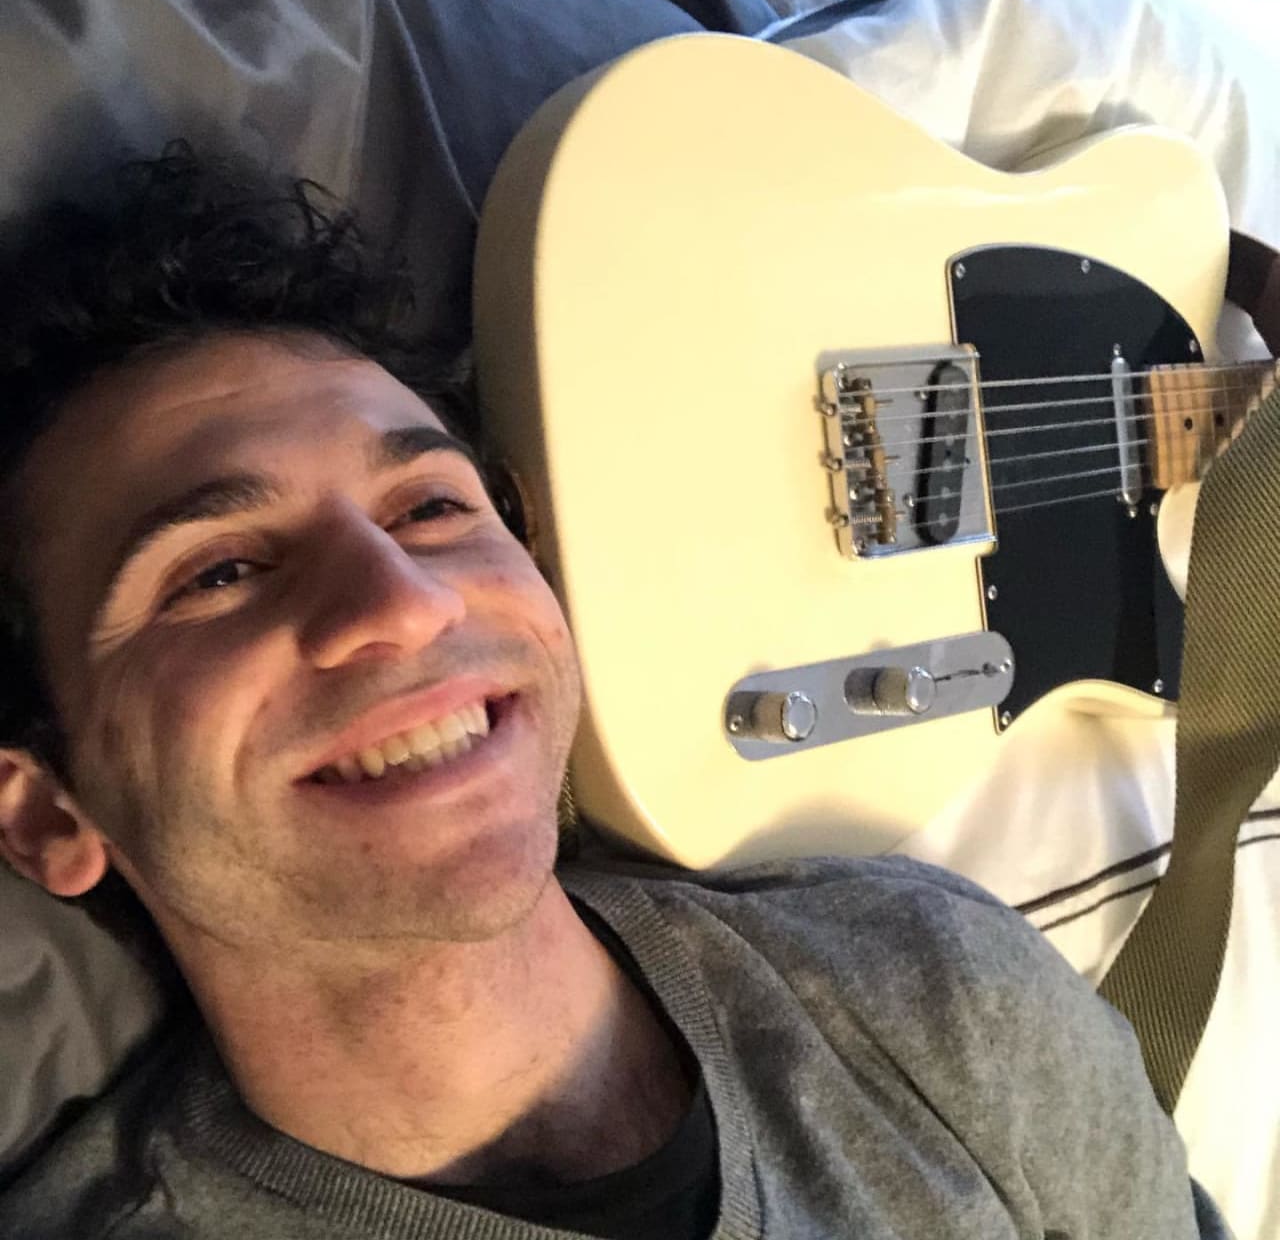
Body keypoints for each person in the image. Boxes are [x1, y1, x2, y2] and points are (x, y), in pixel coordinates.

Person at [0, 146, 1230, 1239]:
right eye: (216, 573)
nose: (407, 603)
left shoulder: (937, 987)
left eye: (430, 506)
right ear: (51, 811)